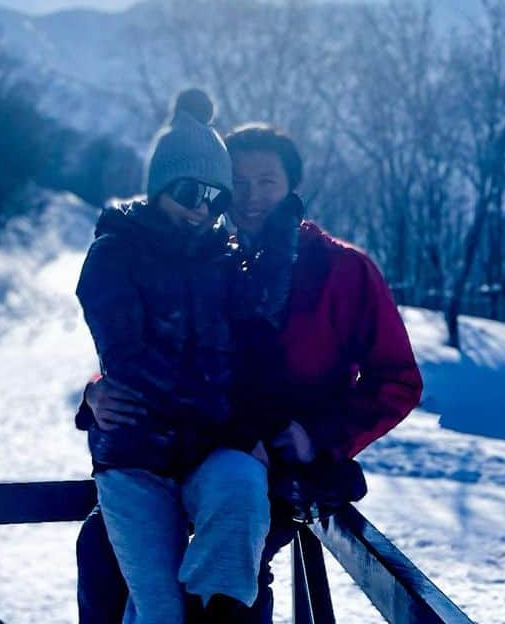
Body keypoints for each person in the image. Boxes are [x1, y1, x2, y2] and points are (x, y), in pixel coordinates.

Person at [77, 123, 424, 623]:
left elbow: (396, 380)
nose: (249, 196)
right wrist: (95, 393)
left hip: (265, 470)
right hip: (195, 454)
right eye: (237, 183)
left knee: (225, 585)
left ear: (291, 187)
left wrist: (317, 436)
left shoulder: (338, 268)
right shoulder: (218, 259)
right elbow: (153, 352)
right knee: (102, 550)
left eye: (267, 181)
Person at [76, 90, 274, 624]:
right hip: (137, 455)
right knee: (158, 607)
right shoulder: (114, 253)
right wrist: (94, 396)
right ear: (162, 184)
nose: (200, 209)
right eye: (190, 191)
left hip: (206, 452)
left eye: (215, 197)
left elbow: (251, 357)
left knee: (242, 497)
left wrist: (250, 429)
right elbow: (131, 359)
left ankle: (214, 613)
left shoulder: (225, 258)